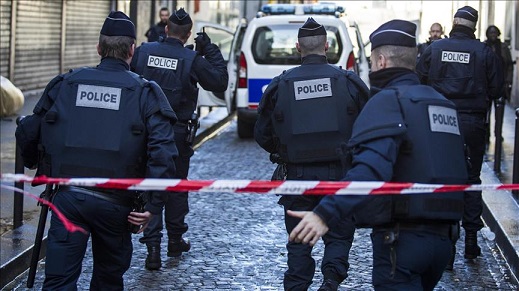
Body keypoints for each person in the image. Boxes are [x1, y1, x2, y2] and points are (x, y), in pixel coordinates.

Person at [287, 19, 469, 290]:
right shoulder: (441, 103)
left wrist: (324, 214)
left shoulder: (387, 100)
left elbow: (371, 169)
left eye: (372, 62)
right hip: (442, 244)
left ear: (381, 61)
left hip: (401, 243)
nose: (371, 68)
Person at [15, 11, 178, 289]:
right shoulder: (145, 93)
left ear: (99, 48)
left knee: (58, 281)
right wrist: (152, 206)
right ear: (131, 50)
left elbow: (29, 129)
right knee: (108, 279)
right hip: (117, 205)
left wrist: (38, 167)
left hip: (68, 199)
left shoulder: (66, 84)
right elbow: (163, 152)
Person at [255, 17, 370, 291]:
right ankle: (331, 280)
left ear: (298, 48)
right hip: (340, 175)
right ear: (327, 47)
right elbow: (369, 127)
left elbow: (262, 134)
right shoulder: (349, 82)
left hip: (297, 177)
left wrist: (285, 152)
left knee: (299, 238)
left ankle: (297, 286)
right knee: (340, 234)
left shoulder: (280, 85)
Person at [131, 8, 228, 270]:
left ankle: (152, 247)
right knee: (175, 187)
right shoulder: (191, 58)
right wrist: (209, 49)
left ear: (165, 30)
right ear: (187, 35)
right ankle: (175, 240)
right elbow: (219, 81)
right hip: (175, 135)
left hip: (142, 133)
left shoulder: (143, 52)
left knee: (150, 185)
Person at [416, 6, 501, 263]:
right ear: (473, 26)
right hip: (472, 123)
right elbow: (497, 89)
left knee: (442, 177)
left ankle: (447, 242)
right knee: (471, 178)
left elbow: (418, 79)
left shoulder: (434, 49)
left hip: (438, 120)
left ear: (453, 24)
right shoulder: (484, 52)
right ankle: (471, 239)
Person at [484, 25, 514, 144]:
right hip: (486, 85)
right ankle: (486, 135)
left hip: (501, 84)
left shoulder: (503, 47)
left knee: (499, 111)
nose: (493, 34)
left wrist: (508, 81)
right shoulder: (484, 46)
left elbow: (509, 66)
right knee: (486, 113)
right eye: (491, 32)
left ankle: (498, 134)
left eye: (495, 32)